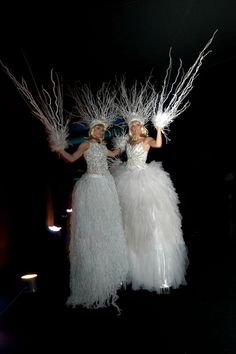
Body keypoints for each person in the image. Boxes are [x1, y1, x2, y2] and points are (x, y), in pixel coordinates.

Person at [111, 80, 189, 293]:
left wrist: (159, 128)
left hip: (146, 179)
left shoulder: (146, 141)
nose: (135, 126)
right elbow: (122, 158)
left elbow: (158, 144)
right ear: (130, 127)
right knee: (132, 225)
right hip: (128, 179)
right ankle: (135, 270)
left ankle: (160, 271)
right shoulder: (127, 143)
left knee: (153, 221)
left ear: (141, 126)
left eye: (137, 124)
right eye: (132, 125)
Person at [58, 84, 129, 311]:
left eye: (101, 129)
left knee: (108, 224)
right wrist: (59, 147)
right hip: (92, 185)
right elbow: (70, 159)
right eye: (97, 129)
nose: (99, 132)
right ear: (91, 130)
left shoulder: (103, 145)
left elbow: (114, 154)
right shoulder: (87, 144)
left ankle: (108, 268)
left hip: (106, 184)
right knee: (93, 227)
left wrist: (124, 142)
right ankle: (94, 272)